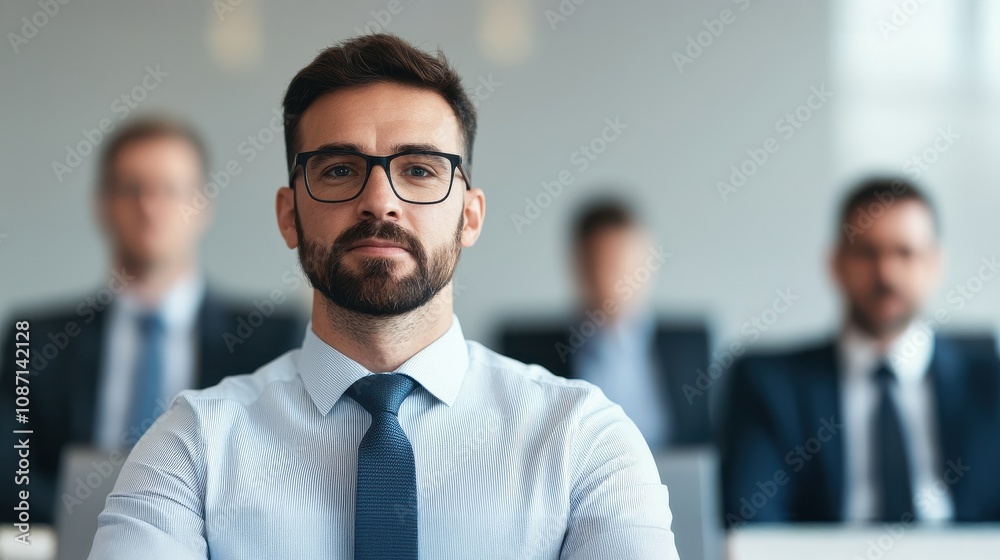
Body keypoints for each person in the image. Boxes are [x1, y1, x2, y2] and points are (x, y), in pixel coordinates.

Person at [87, 34, 678, 559]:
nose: (380, 201)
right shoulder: (191, 446)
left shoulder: (584, 441)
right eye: (340, 170)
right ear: (289, 215)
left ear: (469, 218)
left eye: (420, 169)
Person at [0, 116, 304, 524]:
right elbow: (11, 478)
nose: (149, 206)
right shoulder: (35, 339)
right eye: (131, 189)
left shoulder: (272, 338)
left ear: (203, 206)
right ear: (102, 205)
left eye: (170, 190)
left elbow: (287, 474)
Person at [720, 177, 1000, 526]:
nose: (886, 273)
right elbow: (753, 523)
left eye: (905, 253)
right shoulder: (768, 386)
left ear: (934, 264)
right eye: (867, 253)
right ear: (837, 263)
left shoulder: (991, 384)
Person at [500, 198, 712, 451]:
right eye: (610, 266)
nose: (626, 280)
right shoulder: (525, 354)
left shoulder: (690, 347)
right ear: (580, 266)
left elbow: (704, 445)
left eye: (634, 264)